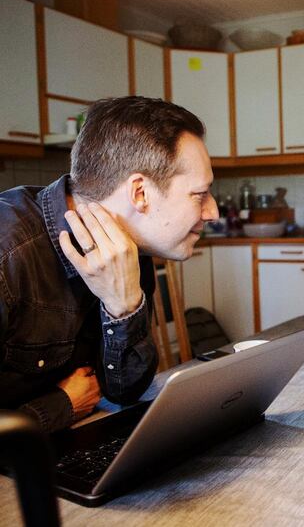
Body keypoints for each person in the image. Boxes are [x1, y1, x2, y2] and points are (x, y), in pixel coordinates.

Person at [0, 96, 219, 433]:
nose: (213, 212)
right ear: (140, 193)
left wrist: (123, 306)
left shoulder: (129, 245)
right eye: (199, 194)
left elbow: (124, 391)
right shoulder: (7, 253)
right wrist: (62, 406)